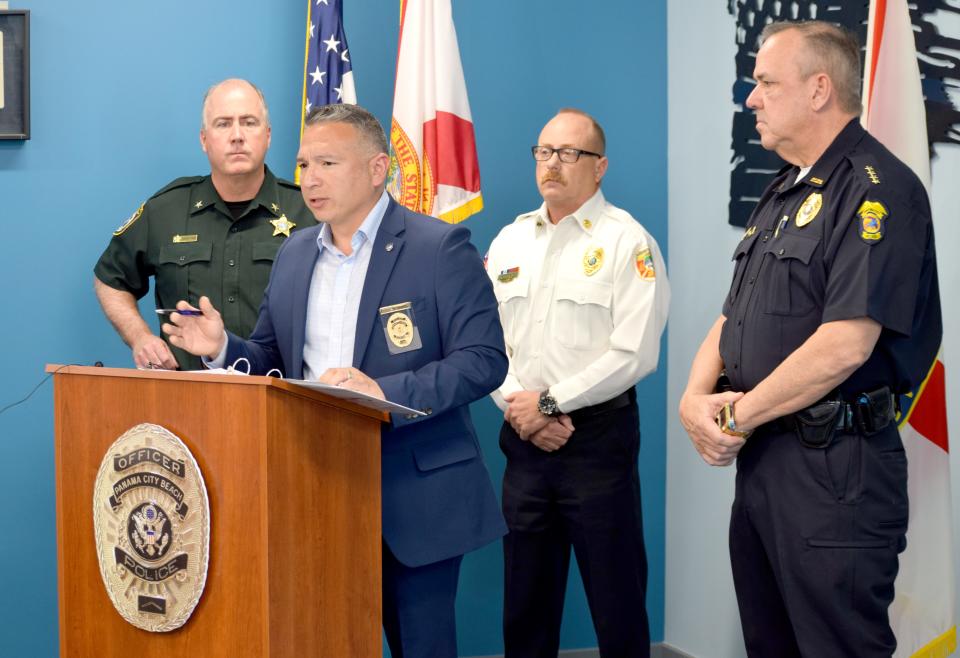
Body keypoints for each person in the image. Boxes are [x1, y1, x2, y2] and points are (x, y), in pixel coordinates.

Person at [163, 103, 507, 658]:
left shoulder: (439, 247)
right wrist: (222, 348)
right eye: (303, 164)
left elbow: (484, 360)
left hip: (414, 493)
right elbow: (274, 358)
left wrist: (384, 394)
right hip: (315, 491)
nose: (310, 179)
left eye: (327, 162)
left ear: (377, 170)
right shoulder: (296, 252)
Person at [679, 21, 942, 657]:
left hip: (837, 477)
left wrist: (736, 413)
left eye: (766, 82)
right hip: (767, 465)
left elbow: (846, 343)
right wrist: (693, 397)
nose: (752, 98)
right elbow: (733, 315)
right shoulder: (783, 191)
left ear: (819, 89)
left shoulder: (879, 190)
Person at [485, 108, 670, 658]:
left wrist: (548, 402)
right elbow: (487, 342)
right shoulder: (511, 240)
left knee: (615, 603)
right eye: (544, 152)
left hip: (597, 445)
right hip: (524, 443)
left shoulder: (626, 242)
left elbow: (635, 352)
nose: (553, 165)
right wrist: (522, 410)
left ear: (600, 166)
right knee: (525, 604)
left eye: (570, 154)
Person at [93, 78, 316, 370]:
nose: (237, 135)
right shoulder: (167, 210)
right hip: (187, 399)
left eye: (249, 122)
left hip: (281, 398)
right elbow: (109, 278)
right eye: (223, 124)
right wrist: (140, 338)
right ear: (203, 139)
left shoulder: (309, 212)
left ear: (268, 135)